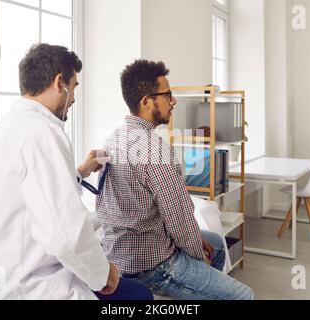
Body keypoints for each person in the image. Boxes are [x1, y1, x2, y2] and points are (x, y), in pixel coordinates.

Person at [0, 44, 153, 300]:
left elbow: (33, 195)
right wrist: (103, 273)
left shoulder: (2, 130)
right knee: (138, 296)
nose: (74, 98)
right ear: (59, 83)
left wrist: (81, 172)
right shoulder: (44, 133)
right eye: (74, 86)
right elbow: (66, 234)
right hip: (27, 286)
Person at [96, 59, 254, 300]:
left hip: (117, 254)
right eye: (167, 95)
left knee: (217, 243)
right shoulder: (154, 149)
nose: (174, 101)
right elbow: (179, 219)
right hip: (152, 265)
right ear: (146, 102)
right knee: (244, 296)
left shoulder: (113, 139)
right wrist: (197, 258)